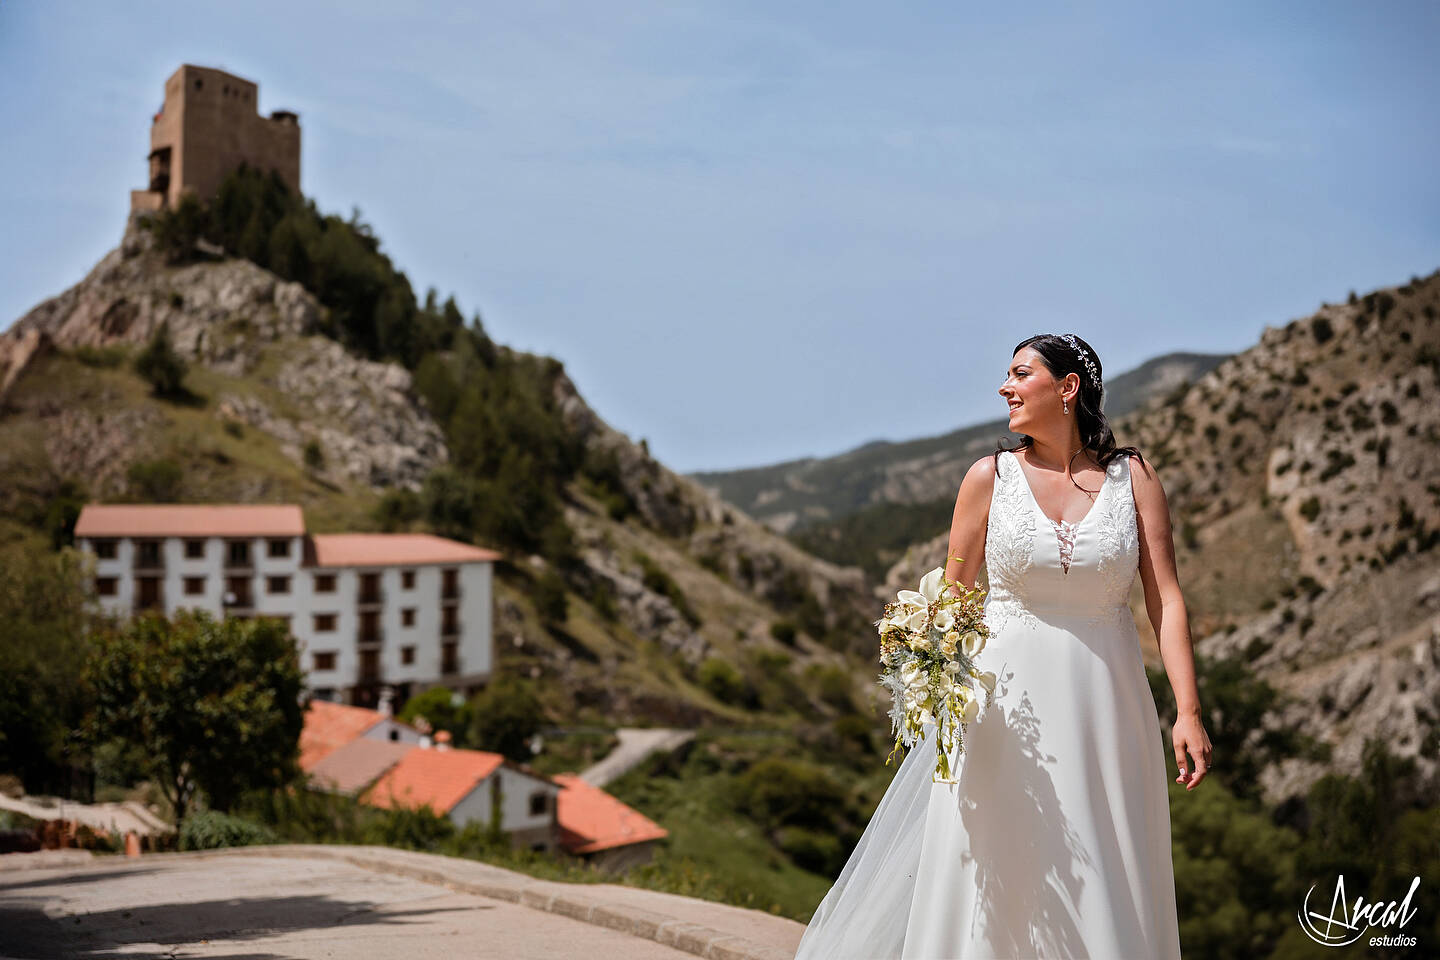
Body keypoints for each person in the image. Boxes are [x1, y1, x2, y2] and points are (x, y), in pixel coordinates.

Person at [794, 333, 1209, 959]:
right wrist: (929, 677)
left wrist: (1188, 710)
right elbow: (953, 598)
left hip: (1108, 707)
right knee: (997, 862)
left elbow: (1167, 600)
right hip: (1001, 710)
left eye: (1021, 374)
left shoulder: (1135, 478)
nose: (1004, 387)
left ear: (1067, 388)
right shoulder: (988, 477)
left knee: (1101, 857)